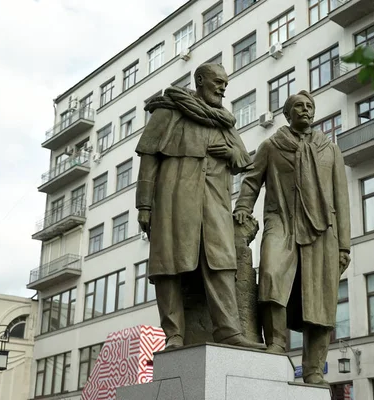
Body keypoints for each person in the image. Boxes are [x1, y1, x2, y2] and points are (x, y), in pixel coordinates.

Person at [135, 63, 264, 350]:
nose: (222, 88)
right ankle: (174, 335)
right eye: (218, 82)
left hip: (214, 202)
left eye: (225, 84)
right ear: (200, 80)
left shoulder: (222, 121)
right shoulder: (168, 111)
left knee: (221, 263)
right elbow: (148, 158)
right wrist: (144, 205)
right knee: (168, 266)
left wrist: (230, 152)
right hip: (174, 199)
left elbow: (244, 160)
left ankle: (229, 330)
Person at [234, 91, 351, 384]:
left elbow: (342, 197)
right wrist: (242, 209)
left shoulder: (329, 149)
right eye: (298, 106)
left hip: (323, 232)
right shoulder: (271, 146)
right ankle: (276, 343)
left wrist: (344, 246)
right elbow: (251, 181)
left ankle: (313, 369)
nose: (305, 110)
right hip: (281, 222)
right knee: (272, 276)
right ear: (287, 114)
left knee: (321, 301)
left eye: (310, 106)